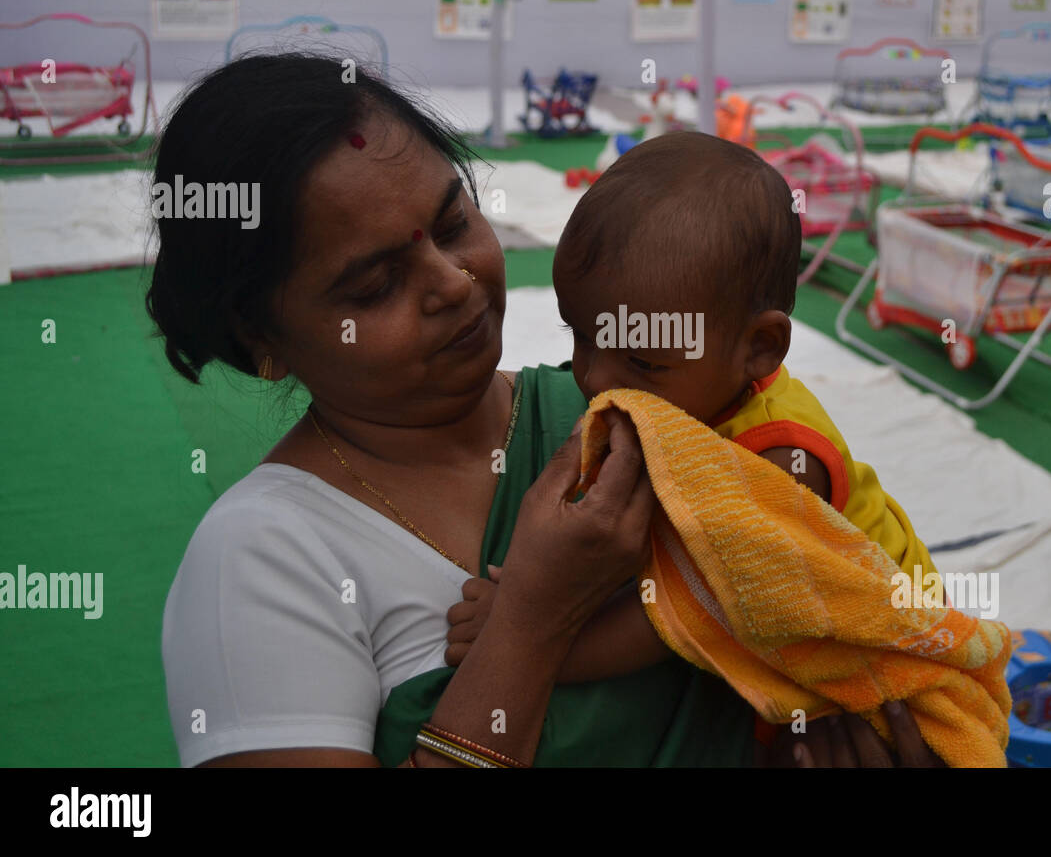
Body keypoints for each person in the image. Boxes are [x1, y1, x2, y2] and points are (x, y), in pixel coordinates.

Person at [153, 54, 941, 767]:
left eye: (455, 223)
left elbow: (819, 615)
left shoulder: (643, 416)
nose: (454, 282)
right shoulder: (261, 561)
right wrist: (535, 619)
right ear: (264, 337)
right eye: (375, 286)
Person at [444, 131, 943, 699]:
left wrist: (536, 636)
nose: (594, 378)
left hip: (897, 666)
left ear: (758, 348)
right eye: (581, 335)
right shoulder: (690, 390)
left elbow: (692, 614)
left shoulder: (780, 459)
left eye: (641, 360)